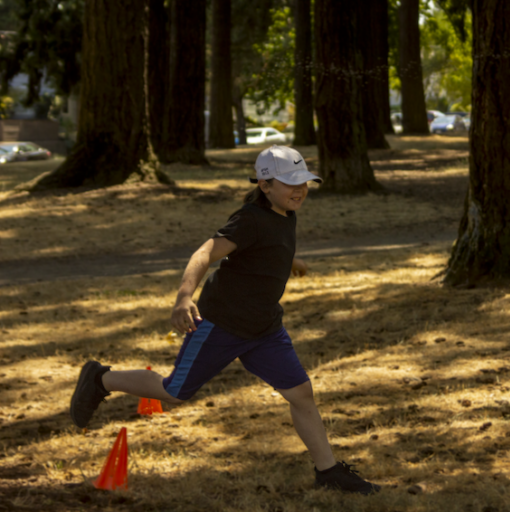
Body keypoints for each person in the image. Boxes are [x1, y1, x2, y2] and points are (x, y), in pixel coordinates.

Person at [69, 145, 380, 494]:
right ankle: (101, 378)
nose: (300, 189)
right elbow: (204, 252)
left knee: (301, 394)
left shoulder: (285, 214)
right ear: (264, 185)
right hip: (222, 324)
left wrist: (293, 262)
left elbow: (269, 248)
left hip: (264, 328)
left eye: (303, 181)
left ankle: (328, 472)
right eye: (290, 182)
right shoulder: (249, 218)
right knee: (174, 392)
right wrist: (184, 296)